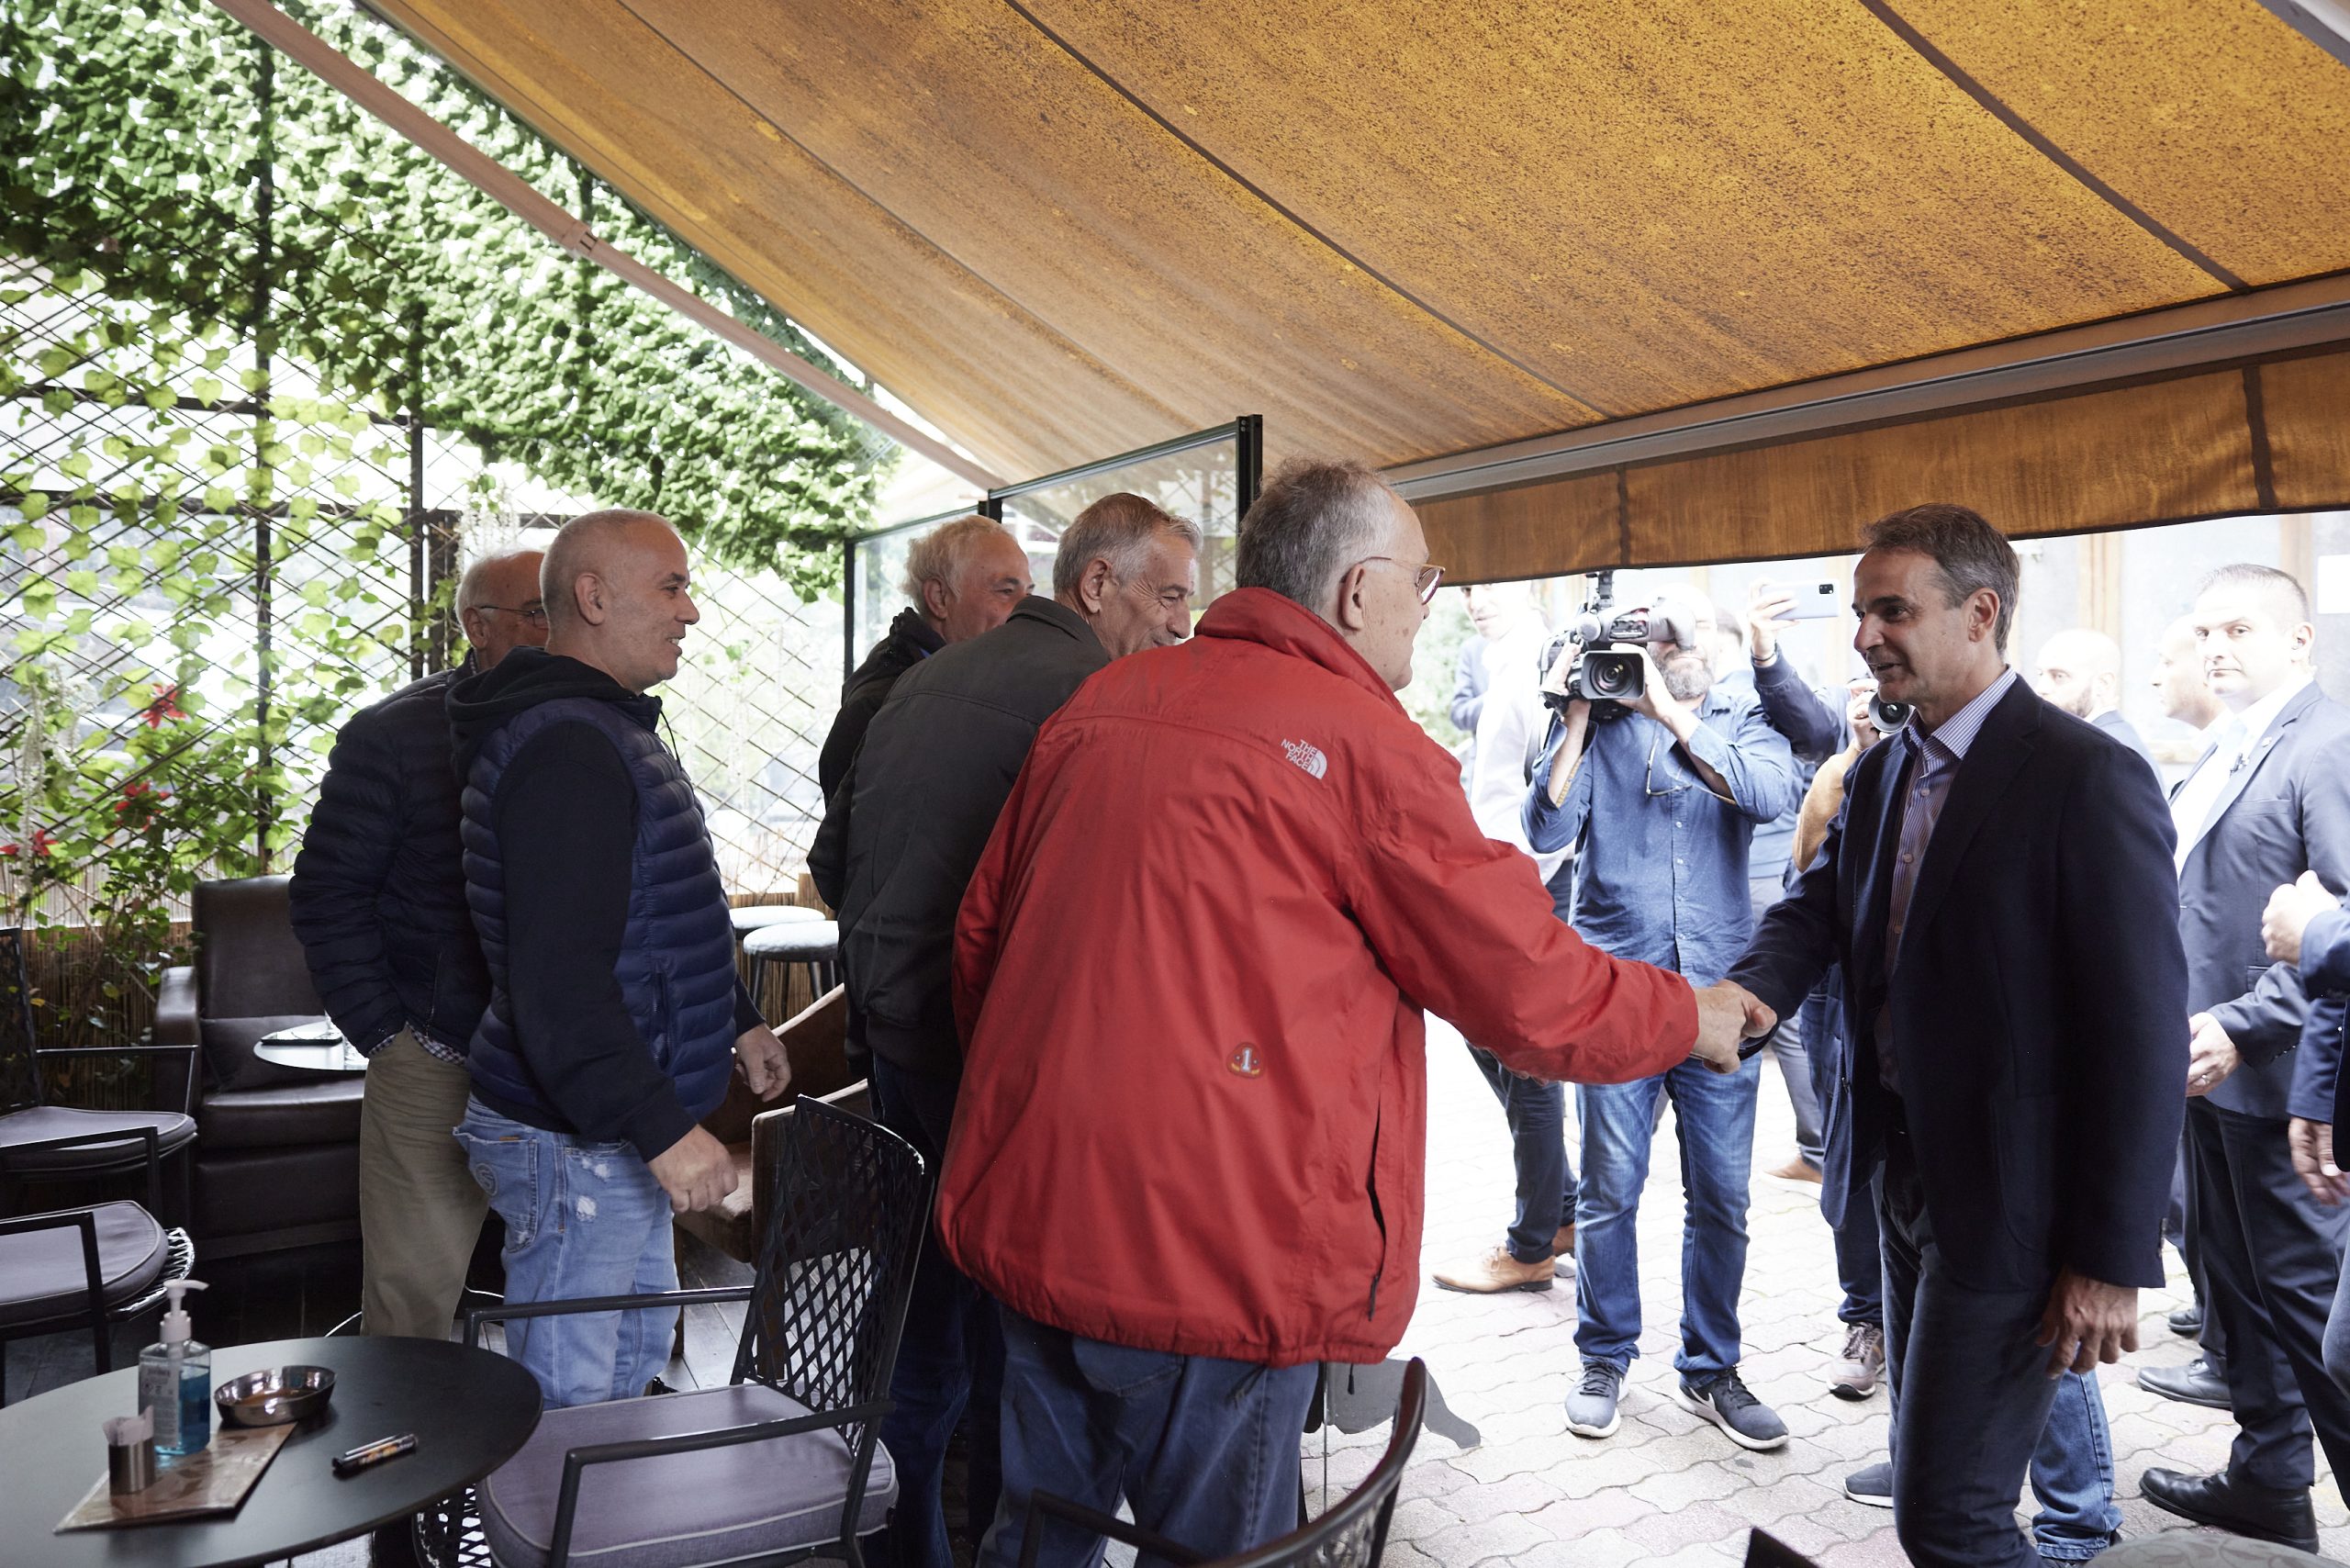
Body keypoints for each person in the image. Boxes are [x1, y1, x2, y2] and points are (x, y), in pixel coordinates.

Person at [936, 458, 1771, 1568]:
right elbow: (1527, 990)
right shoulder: (1363, 749)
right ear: (1356, 588)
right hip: (1214, 1263)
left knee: (1032, 1541)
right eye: (1420, 585)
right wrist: (1687, 1017)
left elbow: (981, 943)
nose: (1424, 612)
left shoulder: (1101, 702)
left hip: (1036, 1219)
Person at [1730, 502, 2188, 1568]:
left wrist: (2109, 1256)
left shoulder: (2084, 774)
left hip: (2012, 1203)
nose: (1863, 636)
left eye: (1891, 610)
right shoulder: (1883, 766)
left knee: (1948, 1518)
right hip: (1900, 1173)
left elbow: (2141, 1035)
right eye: (1860, 612)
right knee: (1934, 1481)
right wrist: (1745, 997)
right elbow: (1816, 906)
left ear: (1980, 613)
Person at [807, 495, 1199, 1568]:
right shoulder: (1098, 698)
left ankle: (899, 1548)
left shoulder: (920, 678)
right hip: (988, 1069)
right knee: (1010, 1343)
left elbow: (833, 864)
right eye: (1168, 595)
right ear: (1097, 585)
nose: (1181, 622)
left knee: (919, 1322)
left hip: (894, 1044)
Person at [445, 510, 791, 1408]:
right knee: (570, 1404)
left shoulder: (601, 726)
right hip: (576, 1137)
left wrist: (738, 1017)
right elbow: (559, 984)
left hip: (603, 1126)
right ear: (593, 598)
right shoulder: (569, 747)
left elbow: (654, 911)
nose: (692, 612)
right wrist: (661, 1128)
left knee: (630, 1369)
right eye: (671, 588)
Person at [1524, 588, 1802, 1450]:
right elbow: (1545, 829)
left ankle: (1710, 1368)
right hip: (1620, 996)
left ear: (1717, 643)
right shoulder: (1601, 719)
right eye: (1656, 638)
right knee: (1610, 1191)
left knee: (1721, 1197)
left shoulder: (1745, 717)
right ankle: (1603, 1357)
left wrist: (1671, 716)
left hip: (1718, 1001)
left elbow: (1769, 795)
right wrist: (1577, 715)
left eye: (1687, 633)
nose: (1671, 646)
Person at [2139, 565, 2350, 1553]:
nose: (2216, 648)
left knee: (2313, 1317)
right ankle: (2268, 1481)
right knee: (2237, 1298)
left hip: (2283, 1085)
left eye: (2239, 629)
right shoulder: (2227, 745)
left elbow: (2338, 930)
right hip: (2205, 1074)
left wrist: (2245, 1024)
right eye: (2204, 631)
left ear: (2299, 640)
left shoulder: (2326, 744)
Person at [289, 547, 545, 1343]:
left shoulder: (599, 720)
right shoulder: (394, 735)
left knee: (584, 1300)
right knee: (411, 1300)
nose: (560, 629)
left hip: (566, 1058)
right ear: (479, 626)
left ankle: (574, 1431)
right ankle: (409, 1426)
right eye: (538, 613)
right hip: (439, 1051)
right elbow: (328, 892)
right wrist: (385, 1032)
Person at [1432, 582, 1582, 1294]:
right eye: (1466, 588)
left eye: (1489, 585)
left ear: (1531, 585)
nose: (1474, 599)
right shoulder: (1507, 658)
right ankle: (1562, 1213)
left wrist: (1510, 890)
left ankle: (1532, 1244)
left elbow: (1550, 793)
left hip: (1523, 885)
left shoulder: (1537, 663)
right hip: (1513, 880)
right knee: (1496, 1039)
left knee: (1523, 1056)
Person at [1731, 582, 1846, 1192]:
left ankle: (1818, 1146)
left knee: (1785, 1019)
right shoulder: (1831, 718)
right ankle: (1820, 1146)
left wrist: (1764, 657)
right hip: (1784, 885)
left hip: (1766, 878)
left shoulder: (1758, 710)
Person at [818, 515, 1032, 800]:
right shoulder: (882, 707)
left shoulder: (978, 683)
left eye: (1029, 593)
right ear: (939, 597)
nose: (1028, 609)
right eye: (1006, 591)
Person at [2032, 628, 2153, 767]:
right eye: (2040, 674)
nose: (2041, 689)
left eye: (2060, 676)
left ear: (2103, 683)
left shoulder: (2107, 750)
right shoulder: (2105, 741)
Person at [2154, 613, 2228, 734]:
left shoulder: (2243, 741)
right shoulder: (2216, 741)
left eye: (2166, 663)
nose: (2154, 680)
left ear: (2208, 667)